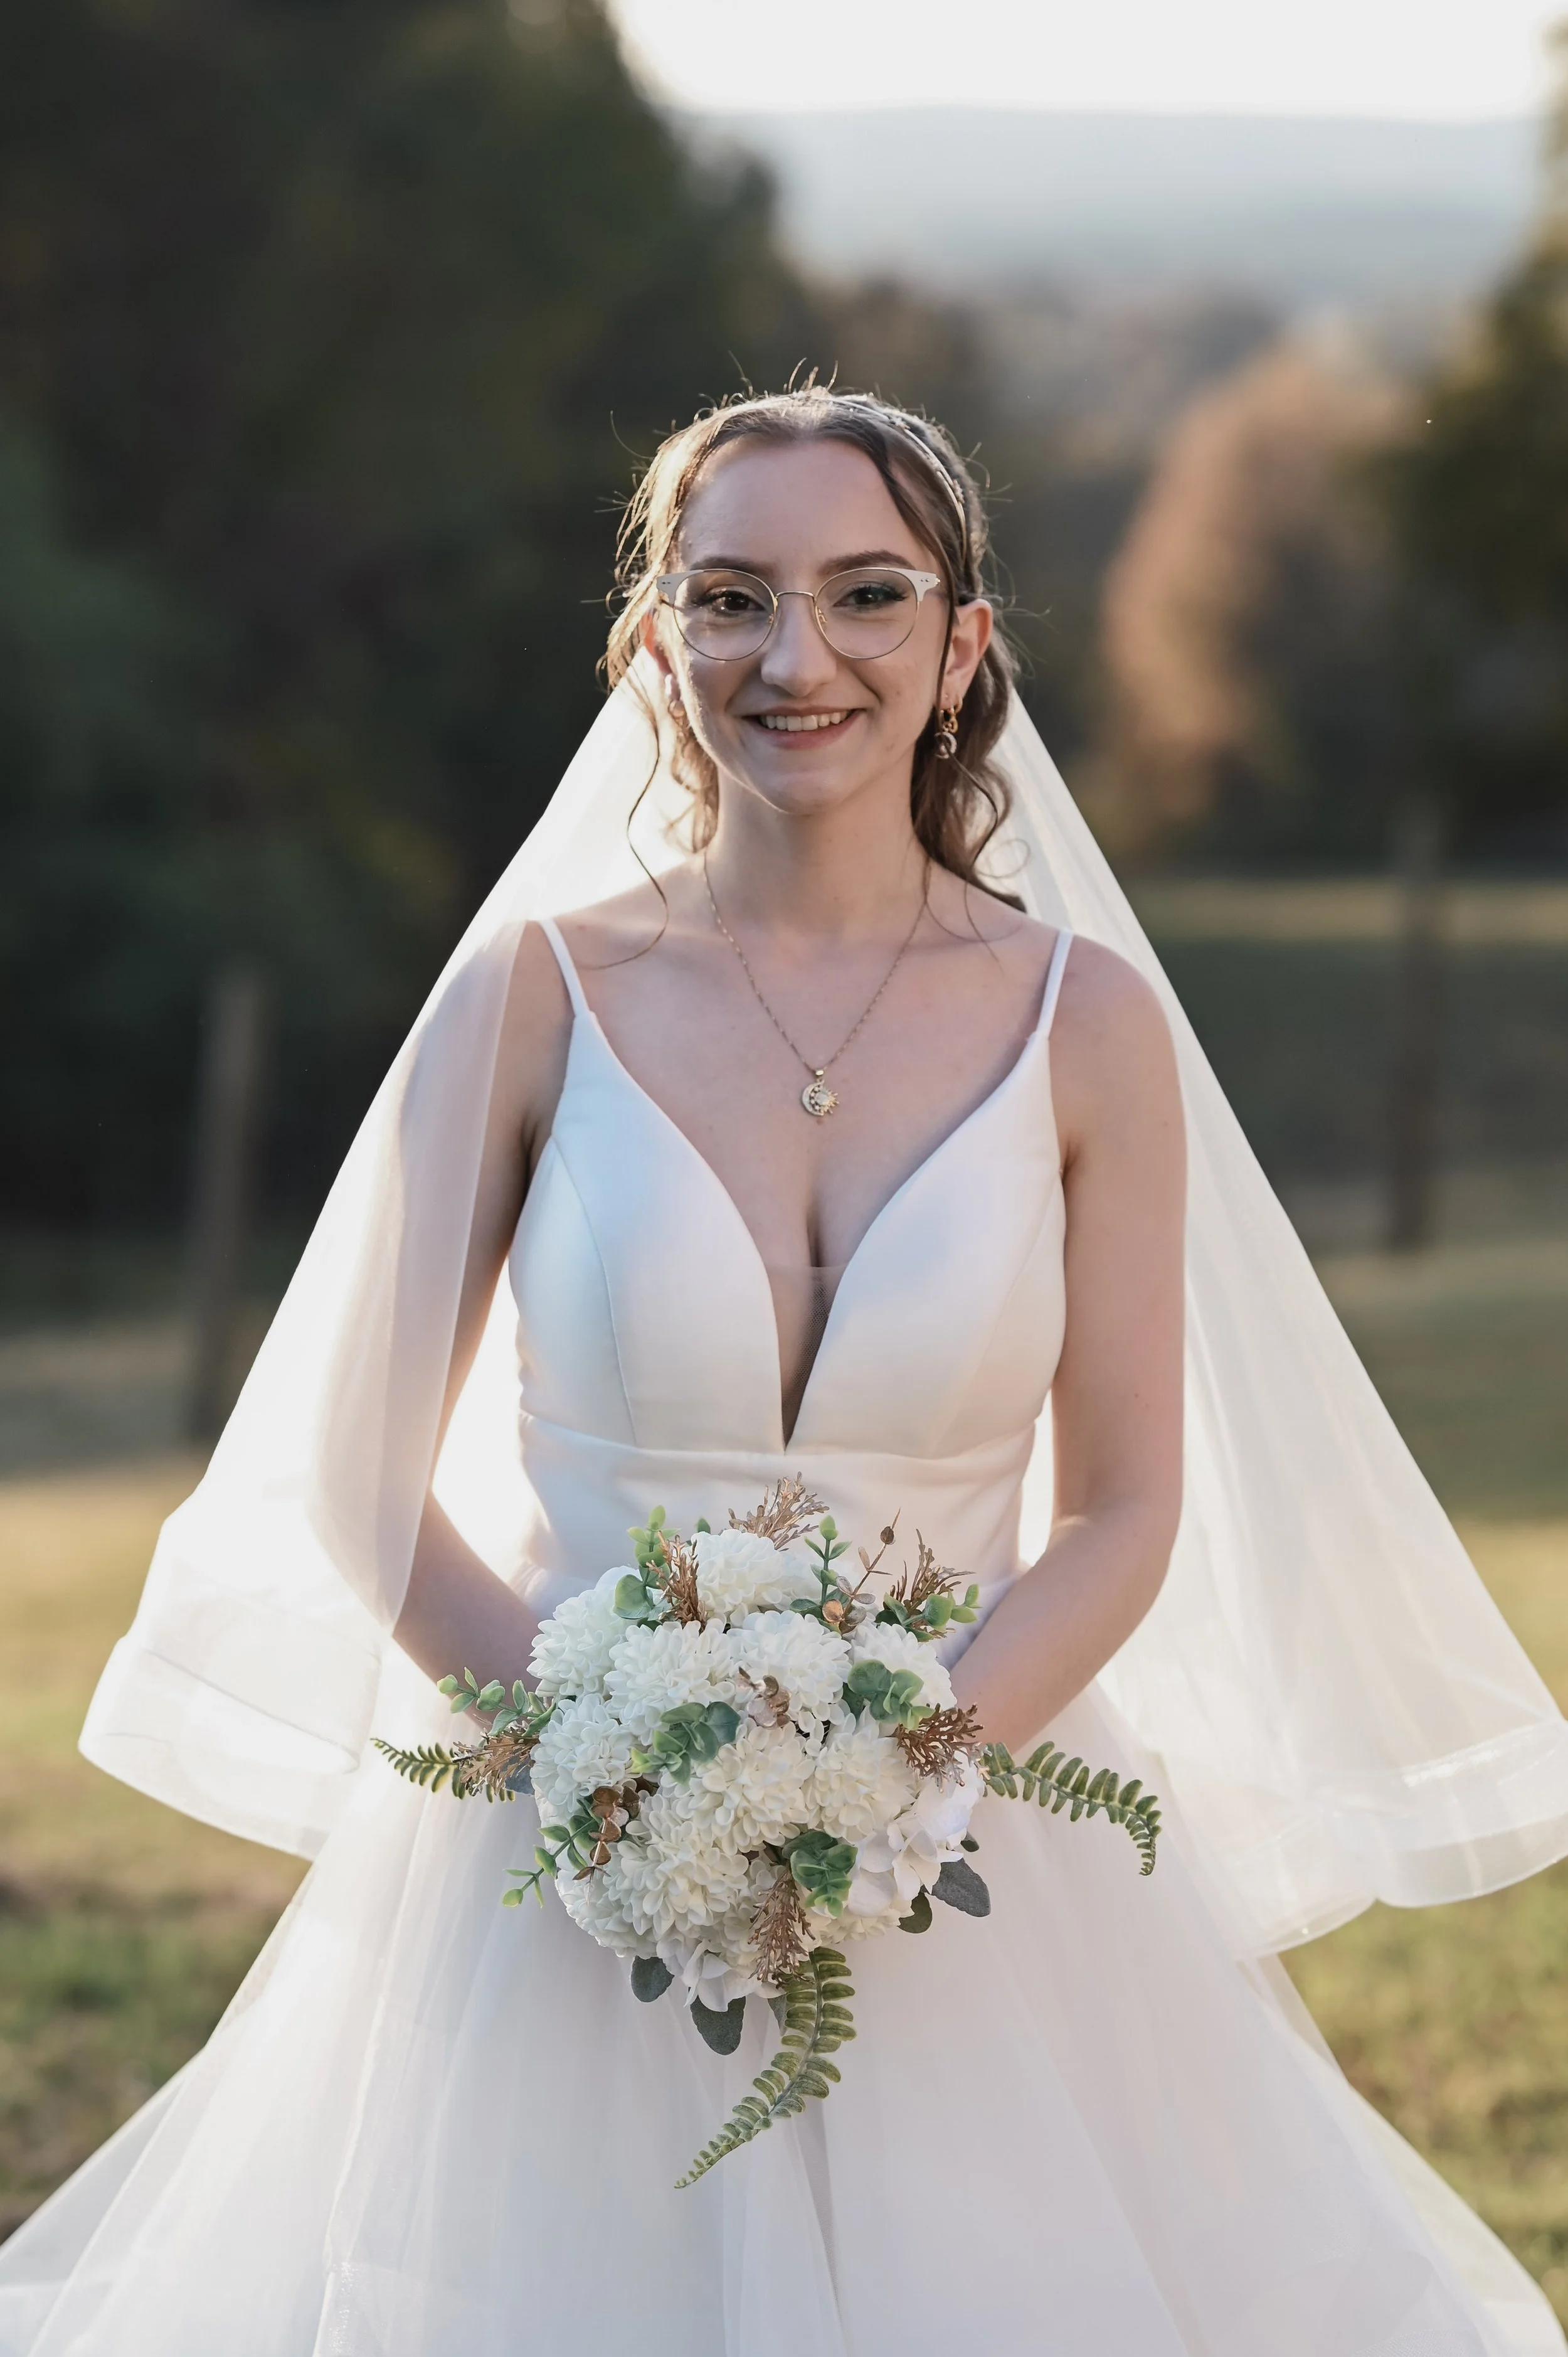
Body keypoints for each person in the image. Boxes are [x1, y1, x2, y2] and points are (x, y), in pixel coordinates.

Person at [3, 386, 1566, 2357]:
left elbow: (1123, 1505)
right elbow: (358, 1476)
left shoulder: (1089, 1029)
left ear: (958, 647)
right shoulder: (532, 998)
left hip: (971, 1836)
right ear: (657, 641)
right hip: (563, 1851)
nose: (793, 655)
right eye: (730, 597)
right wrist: (599, 1761)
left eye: (863, 595)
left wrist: (904, 1767)